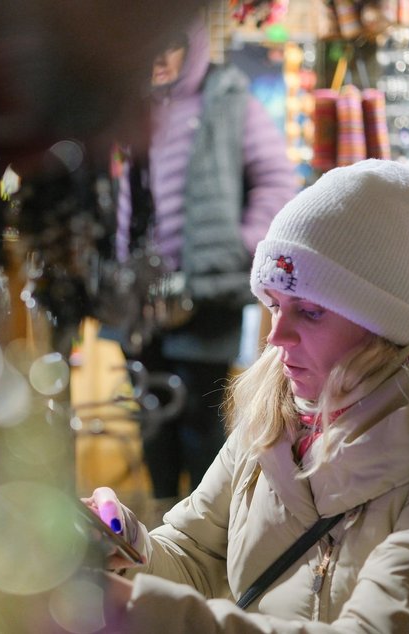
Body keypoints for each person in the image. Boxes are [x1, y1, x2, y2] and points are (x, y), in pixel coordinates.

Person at [86, 159, 409, 632]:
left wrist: (143, 612)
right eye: (273, 305)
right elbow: (194, 553)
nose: (275, 336)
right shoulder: (278, 409)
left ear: (382, 325)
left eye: (308, 312)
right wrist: (125, 545)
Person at [108, 15, 297, 517]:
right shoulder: (133, 106)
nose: (159, 60)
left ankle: (210, 543)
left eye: (170, 47)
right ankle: (159, 541)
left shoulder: (228, 99)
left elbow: (278, 183)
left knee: (200, 423)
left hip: (207, 294)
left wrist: (233, 247)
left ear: (189, 45)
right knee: (151, 421)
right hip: (141, 299)